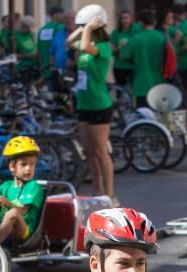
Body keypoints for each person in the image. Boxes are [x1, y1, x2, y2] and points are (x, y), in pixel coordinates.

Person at [68, 4, 114, 202]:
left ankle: (110, 194)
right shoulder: (87, 45)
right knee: (89, 152)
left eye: (87, 28)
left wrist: (86, 29)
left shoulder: (101, 47)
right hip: (84, 104)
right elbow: (70, 42)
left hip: (98, 104)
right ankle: (98, 191)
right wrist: (82, 25)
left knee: (100, 151)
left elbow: (85, 45)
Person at [0, 136, 45, 245]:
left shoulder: (33, 187)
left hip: (23, 231)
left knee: (13, 213)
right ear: (12, 166)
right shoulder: (7, 185)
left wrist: (6, 203)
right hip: (2, 230)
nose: (28, 168)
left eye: (32, 164)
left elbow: (22, 211)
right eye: (24, 164)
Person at [120, 9, 165, 109]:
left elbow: (123, 56)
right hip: (160, 82)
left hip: (141, 85)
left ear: (140, 23)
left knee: (143, 115)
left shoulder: (135, 39)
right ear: (155, 22)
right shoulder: (162, 37)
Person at [37, 6, 67, 88]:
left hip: (45, 68)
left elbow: (39, 51)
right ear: (55, 15)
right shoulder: (60, 27)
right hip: (58, 69)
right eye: (62, 14)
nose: (64, 17)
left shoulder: (42, 30)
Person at [111, 10, 139, 88]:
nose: (125, 20)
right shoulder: (116, 33)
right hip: (119, 66)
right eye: (123, 18)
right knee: (120, 89)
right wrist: (118, 48)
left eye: (127, 18)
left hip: (132, 66)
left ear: (131, 19)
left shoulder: (135, 32)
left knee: (134, 89)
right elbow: (111, 49)